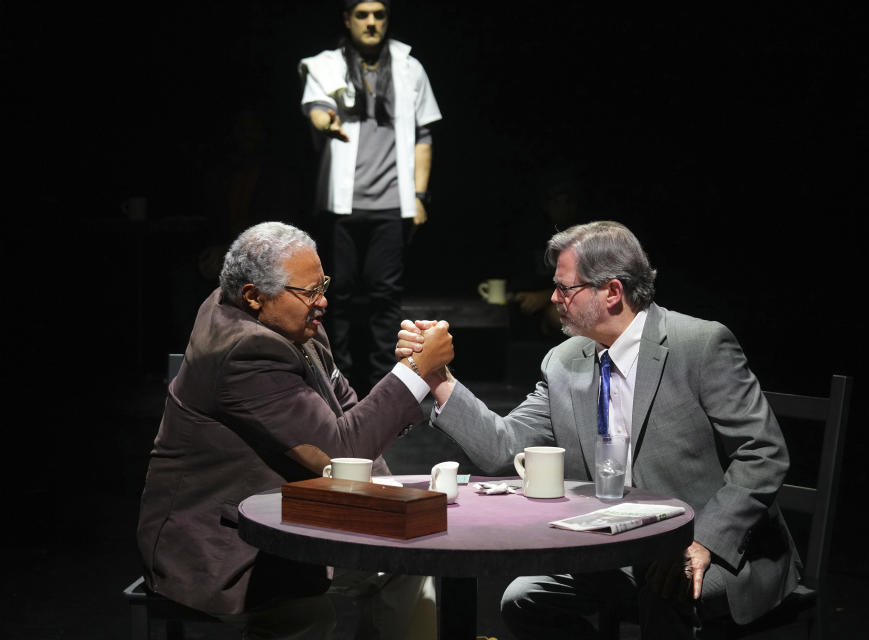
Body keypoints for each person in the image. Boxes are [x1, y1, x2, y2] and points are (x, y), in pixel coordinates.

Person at [398, 221, 801, 638]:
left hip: (714, 548)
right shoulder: (564, 361)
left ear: (612, 292)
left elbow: (764, 453)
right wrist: (438, 379)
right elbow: (504, 447)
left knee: (665, 591)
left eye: (565, 288)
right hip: (618, 550)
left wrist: (707, 541)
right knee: (524, 598)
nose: (553, 298)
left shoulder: (699, 345)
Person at [137, 221, 453, 639]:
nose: (322, 302)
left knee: (407, 565)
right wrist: (415, 372)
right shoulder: (242, 351)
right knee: (306, 617)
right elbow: (341, 451)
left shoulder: (288, 320)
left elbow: (347, 411)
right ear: (253, 295)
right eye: (309, 292)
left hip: (292, 518)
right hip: (225, 546)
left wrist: (384, 495)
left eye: (322, 284)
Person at [299, 0, 441, 393]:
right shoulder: (328, 64)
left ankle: (384, 385)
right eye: (363, 15)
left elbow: (424, 136)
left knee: (385, 298)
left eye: (379, 15)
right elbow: (315, 107)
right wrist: (324, 121)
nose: (371, 22)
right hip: (342, 204)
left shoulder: (409, 66)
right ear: (347, 19)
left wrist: (419, 195)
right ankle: (337, 381)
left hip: (391, 204)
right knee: (337, 295)